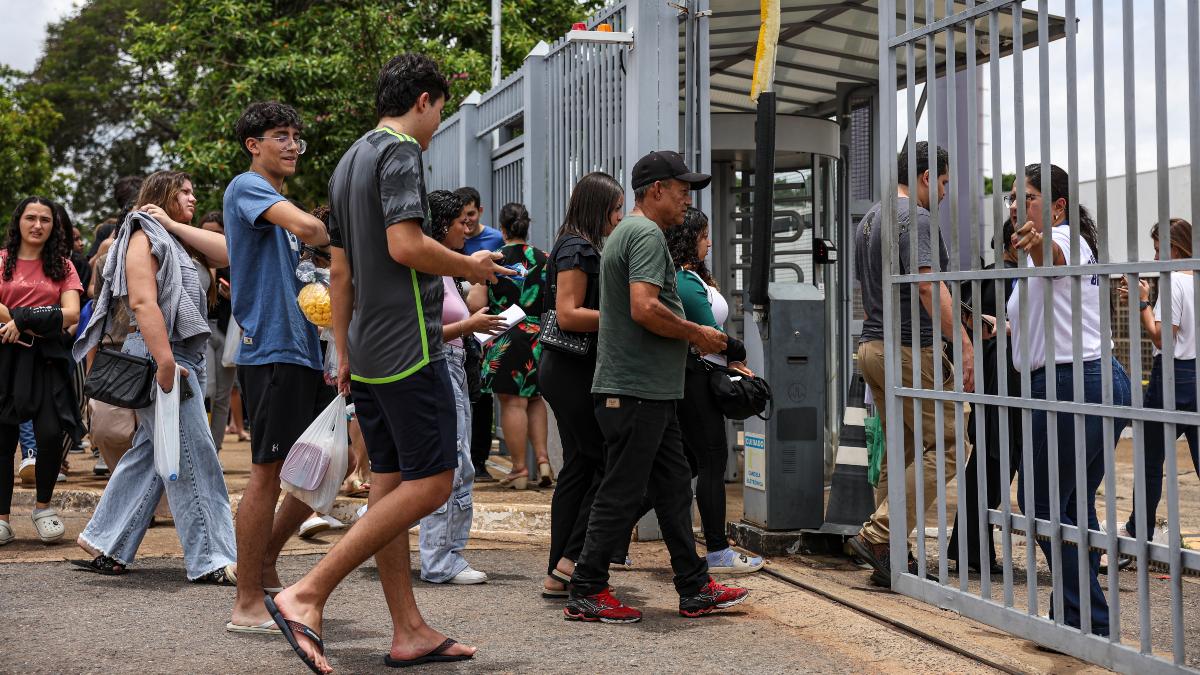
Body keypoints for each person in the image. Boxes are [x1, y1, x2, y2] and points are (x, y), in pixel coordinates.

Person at [266, 53, 508, 673]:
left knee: (391, 487)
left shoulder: (349, 160)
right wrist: (472, 266)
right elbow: (405, 245)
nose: (438, 123)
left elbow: (340, 270)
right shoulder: (401, 151)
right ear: (424, 100)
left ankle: (409, 630)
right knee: (432, 483)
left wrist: (343, 353)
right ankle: (307, 592)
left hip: (369, 352)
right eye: (441, 108)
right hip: (412, 345)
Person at [564, 150, 748, 623]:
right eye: (682, 190)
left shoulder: (631, 232)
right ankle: (586, 588)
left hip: (650, 391)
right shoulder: (645, 233)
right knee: (621, 491)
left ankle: (693, 586)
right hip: (636, 391)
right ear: (656, 191)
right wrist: (697, 333)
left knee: (670, 491)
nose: (688, 200)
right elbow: (644, 308)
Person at [71, 170, 238, 583]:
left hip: (181, 355)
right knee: (194, 460)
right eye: (184, 192)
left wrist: (173, 223)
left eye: (194, 192)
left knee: (151, 456)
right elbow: (144, 302)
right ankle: (213, 557)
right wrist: (165, 363)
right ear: (161, 195)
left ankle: (107, 542)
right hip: (163, 354)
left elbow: (232, 252)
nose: (193, 198)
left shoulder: (174, 238)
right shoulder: (143, 236)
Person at [223, 101, 334, 633]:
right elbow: (313, 230)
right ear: (254, 145)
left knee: (327, 465)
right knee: (266, 474)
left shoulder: (272, 201)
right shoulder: (249, 189)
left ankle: (266, 561)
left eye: (297, 137)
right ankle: (246, 602)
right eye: (281, 136)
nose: (292, 145)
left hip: (303, 350)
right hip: (270, 350)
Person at [1007, 162, 1132, 636]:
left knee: (1039, 501)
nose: (1018, 206)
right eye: (1014, 198)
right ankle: (1074, 617)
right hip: (1090, 378)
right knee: (1072, 505)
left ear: (1058, 207)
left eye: (1029, 197)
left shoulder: (1066, 240)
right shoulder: (1036, 259)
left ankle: (1090, 618)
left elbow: (1055, 255)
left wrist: (1039, 242)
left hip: (1070, 382)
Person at [847, 142, 975, 588]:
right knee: (952, 444)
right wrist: (961, 342)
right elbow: (925, 285)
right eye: (942, 183)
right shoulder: (916, 218)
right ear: (925, 178)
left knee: (901, 450)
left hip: (873, 347)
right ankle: (879, 532)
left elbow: (873, 291)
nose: (943, 193)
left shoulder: (870, 219)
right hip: (907, 349)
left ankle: (890, 553)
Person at [666, 207, 764, 575]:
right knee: (711, 461)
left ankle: (611, 541)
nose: (710, 241)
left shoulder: (691, 277)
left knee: (687, 464)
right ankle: (719, 552)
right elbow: (710, 335)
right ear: (690, 238)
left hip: (701, 376)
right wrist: (736, 353)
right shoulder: (684, 280)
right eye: (704, 235)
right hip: (696, 381)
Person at [540, 172, 624, 596]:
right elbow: (569, 313)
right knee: (603, 461)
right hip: (571, 369)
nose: (619, 218)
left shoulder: (574, 244)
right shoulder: (578, 248)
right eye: (616, 208)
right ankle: (570, 562)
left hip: (565, 368)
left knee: (578, 464)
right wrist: (622, 317)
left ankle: (561, 566)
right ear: (599, 209)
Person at [418, 189, 504, 584]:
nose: (467, 228)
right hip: (439, 364)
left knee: (458, 462)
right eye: (460, 222)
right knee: (452, 463)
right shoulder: (428, 269)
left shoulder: (446, 269)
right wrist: (468, 326)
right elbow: (421, 331)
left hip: (452, 363)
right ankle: (440, 558)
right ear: (442, 226)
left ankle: (446, 552)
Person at [0, 196, 82, 546]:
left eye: (45, 219)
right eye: (31, 218)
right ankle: (2, 518)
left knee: (49, 433)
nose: (37, 225)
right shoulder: (2, 261)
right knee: (3, 439)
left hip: (48, 359)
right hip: (5, 356)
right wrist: (27, 322)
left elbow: (72, 314)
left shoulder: (63, 266)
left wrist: (24, 319)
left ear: (54, 226)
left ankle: (43, 507)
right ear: (18, 221)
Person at [1117, 218, 1199, 540]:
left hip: (1173, 376)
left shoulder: (1175, 280)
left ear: (1174, 249)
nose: (1154, 259)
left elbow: (1162, 337)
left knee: (1150, 459)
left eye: (1157, 249)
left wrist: (1142, 303)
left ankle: (1141, 531)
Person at [948, 220, 1022, 575]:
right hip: (1010, 380)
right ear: (1014, 241)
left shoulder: (981, 277)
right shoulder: (1013, 278)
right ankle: (971, 548)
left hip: (986, 377)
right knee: (997, 463)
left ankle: (969, 547)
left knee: (988, 462)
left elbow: (961, 318)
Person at [468, 203, 551, 489]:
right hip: (537, 334)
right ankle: (543, 460)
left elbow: (477, 304)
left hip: (505, 333)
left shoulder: (492, 260)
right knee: (536, 398)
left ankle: (518, 469)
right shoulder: (545, 258)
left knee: (512, 402)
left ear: (502, 230)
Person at [455, 186, 502, 481]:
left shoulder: (496, 240)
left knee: (481, 395)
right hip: (457, 325)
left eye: (471, 215)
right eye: (461, 218)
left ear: (480, 211)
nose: (467, 223)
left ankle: (480, 459)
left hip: (482, 325)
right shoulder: (449, 241)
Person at [197, 211, 237, 453]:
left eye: (218, 234)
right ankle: (201, 449)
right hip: (202, 334)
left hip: (226, 332)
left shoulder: (232, 261)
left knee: (223, 396)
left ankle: (215, 450)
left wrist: (233, 297)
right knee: (205, 392)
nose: (212, 238)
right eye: (207, 233)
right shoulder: (191, 261)